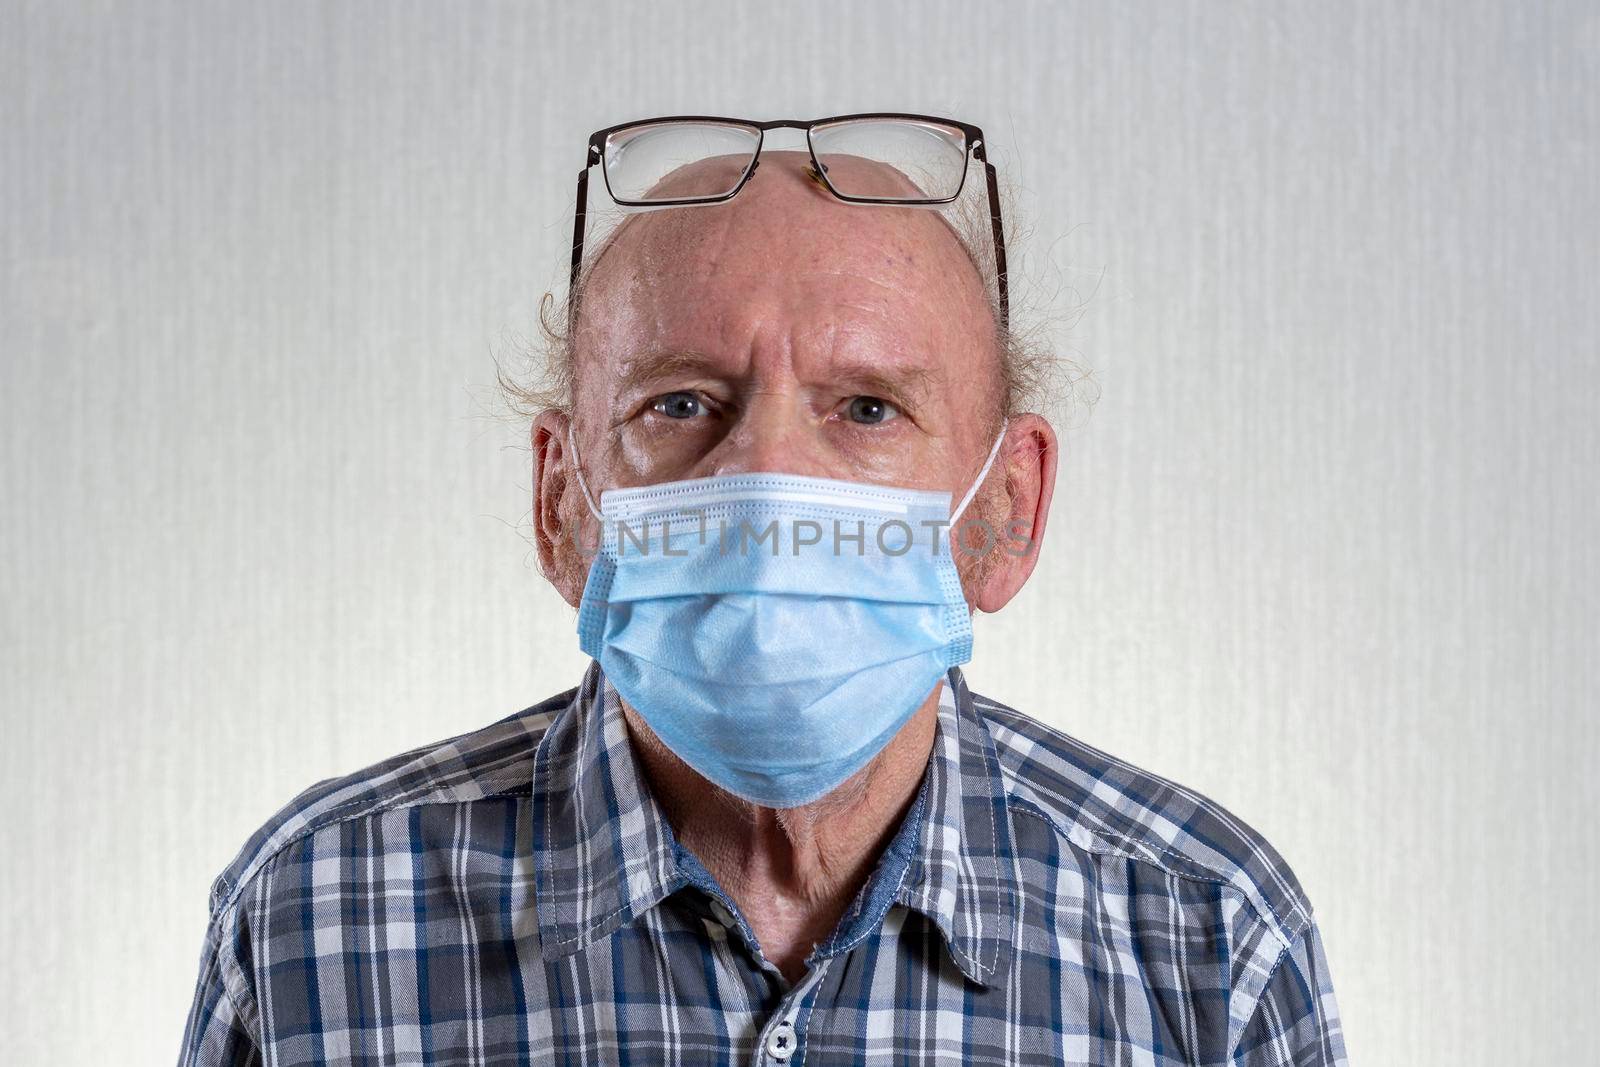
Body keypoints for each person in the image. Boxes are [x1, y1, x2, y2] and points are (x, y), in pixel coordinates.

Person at [180, 115, 1347, 1065]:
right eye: (679, 403)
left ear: (1007, 509)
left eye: (868, 408)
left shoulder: (1207, 939)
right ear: (560, 502)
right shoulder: (315, 917)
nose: (768, 473)